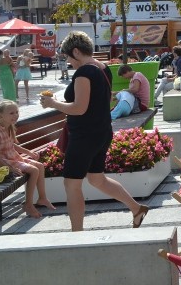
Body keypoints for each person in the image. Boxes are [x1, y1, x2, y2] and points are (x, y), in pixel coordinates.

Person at [40, 31, 149, 231]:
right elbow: (100, 101)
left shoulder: (83, 72)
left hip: (84, 135)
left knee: (72, 185)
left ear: (75, 51)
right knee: (96, 178)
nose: (69, 62)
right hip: (102, 131)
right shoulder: (103, 68)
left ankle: (77, 235)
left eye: (67, 57)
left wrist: (52, 103)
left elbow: (79, 108)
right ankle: (136, 208)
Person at [0, 101, 55, 218]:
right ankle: (28, 204)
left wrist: (28, 152)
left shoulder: (9, 128)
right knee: (34, 170)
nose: (15, 115)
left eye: (17, 112)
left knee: (39, 165)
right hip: (0, 165)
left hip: (12, 159)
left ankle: (42, 198)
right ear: (0, 116)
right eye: (11, 113)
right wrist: (10, 168)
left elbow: (12, 145)